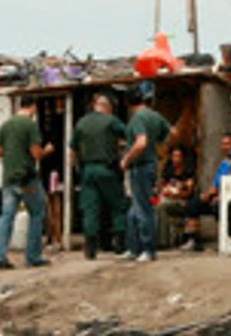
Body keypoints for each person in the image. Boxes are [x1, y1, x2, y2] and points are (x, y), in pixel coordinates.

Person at [0, 96, 54, 270]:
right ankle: (33, 256)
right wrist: (48, 150)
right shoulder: (30, 125)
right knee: (37, 213)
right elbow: (36, 154)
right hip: (27, 178)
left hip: (9, 178)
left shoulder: (5, 125)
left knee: (6, 217)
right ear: (33, 107)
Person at [70, 93, 128, 259]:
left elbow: (72, 150)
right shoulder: (112, 120)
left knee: (90, 208)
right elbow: (129, 135)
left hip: (88, 170)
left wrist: (78, 169)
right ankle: (119, 242)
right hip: (107, 169)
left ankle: (90, 247)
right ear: (107, 108)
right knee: (118, 205)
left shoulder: (81, 122)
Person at [121, 86, 171, 262]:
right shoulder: (155, 116)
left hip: (140, 166)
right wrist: (156, 148)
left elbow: (141, 142)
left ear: (127, 103)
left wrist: (126, 159)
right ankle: (134, 248)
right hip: (151, 164)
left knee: (142, 209)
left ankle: (148, 249)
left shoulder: (137, 118)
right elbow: (168, 132)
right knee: (135, 209)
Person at [158, 146, 197, 250]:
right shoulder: (168, 170)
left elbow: (188, 192)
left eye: (178, 156)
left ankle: (163, 241)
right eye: (174, 156)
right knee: (157, 205)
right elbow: (162, 185)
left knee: (162, 206)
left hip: (183, 201)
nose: (176, 159)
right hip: (169, 198)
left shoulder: (188, 172)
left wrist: (176, 194)